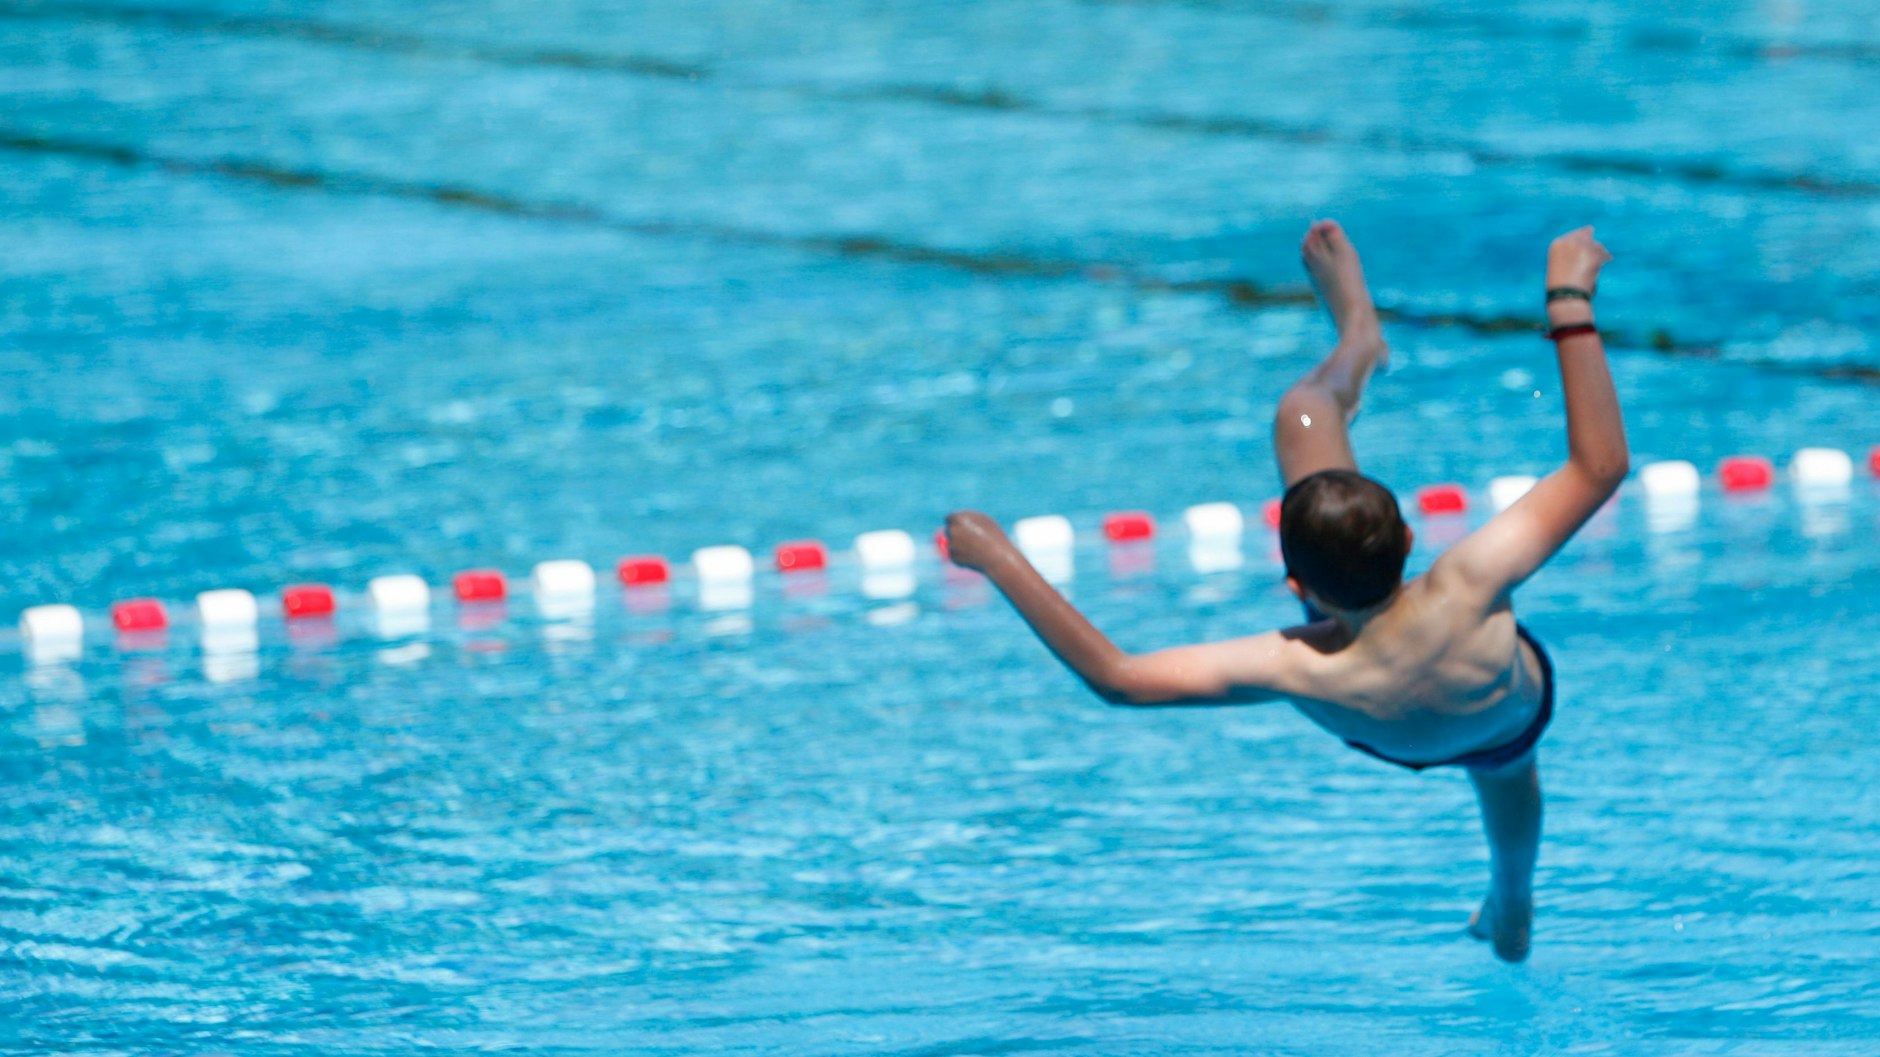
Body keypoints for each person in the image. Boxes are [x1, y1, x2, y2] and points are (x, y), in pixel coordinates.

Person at [943, 221, 1627, 962]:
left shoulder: (1294, 662)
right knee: (1507, 769)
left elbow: (1118, 679)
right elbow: (1599, 467)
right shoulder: (1469, 580)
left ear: (1298, 588)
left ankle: (1360, 338)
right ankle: (1513, 898)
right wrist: (1568, 300)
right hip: (1506, 716)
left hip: (1379, 715)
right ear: (1407, 542)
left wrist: (999, 559)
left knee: (1303, 415)